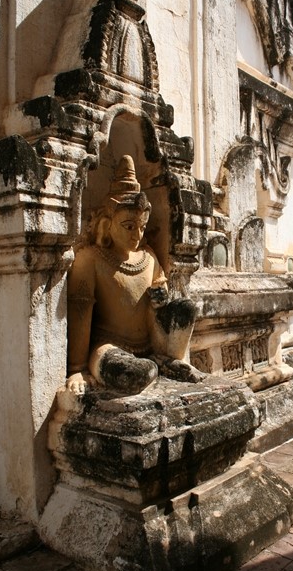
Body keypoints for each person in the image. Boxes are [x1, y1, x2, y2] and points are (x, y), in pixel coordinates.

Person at [66, 155, 204, 395]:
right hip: (109, 347)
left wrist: (159, 301)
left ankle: (167, 359)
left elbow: (159, 309)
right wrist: (77, 369)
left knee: (186, 309)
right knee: (134, 374)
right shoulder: (90, 259)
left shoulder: (148, 257)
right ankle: (157, 365)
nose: (137, 235)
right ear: (107, 224)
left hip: (151, 343)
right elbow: (80, 314)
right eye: (129, 226)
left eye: (141, 227)